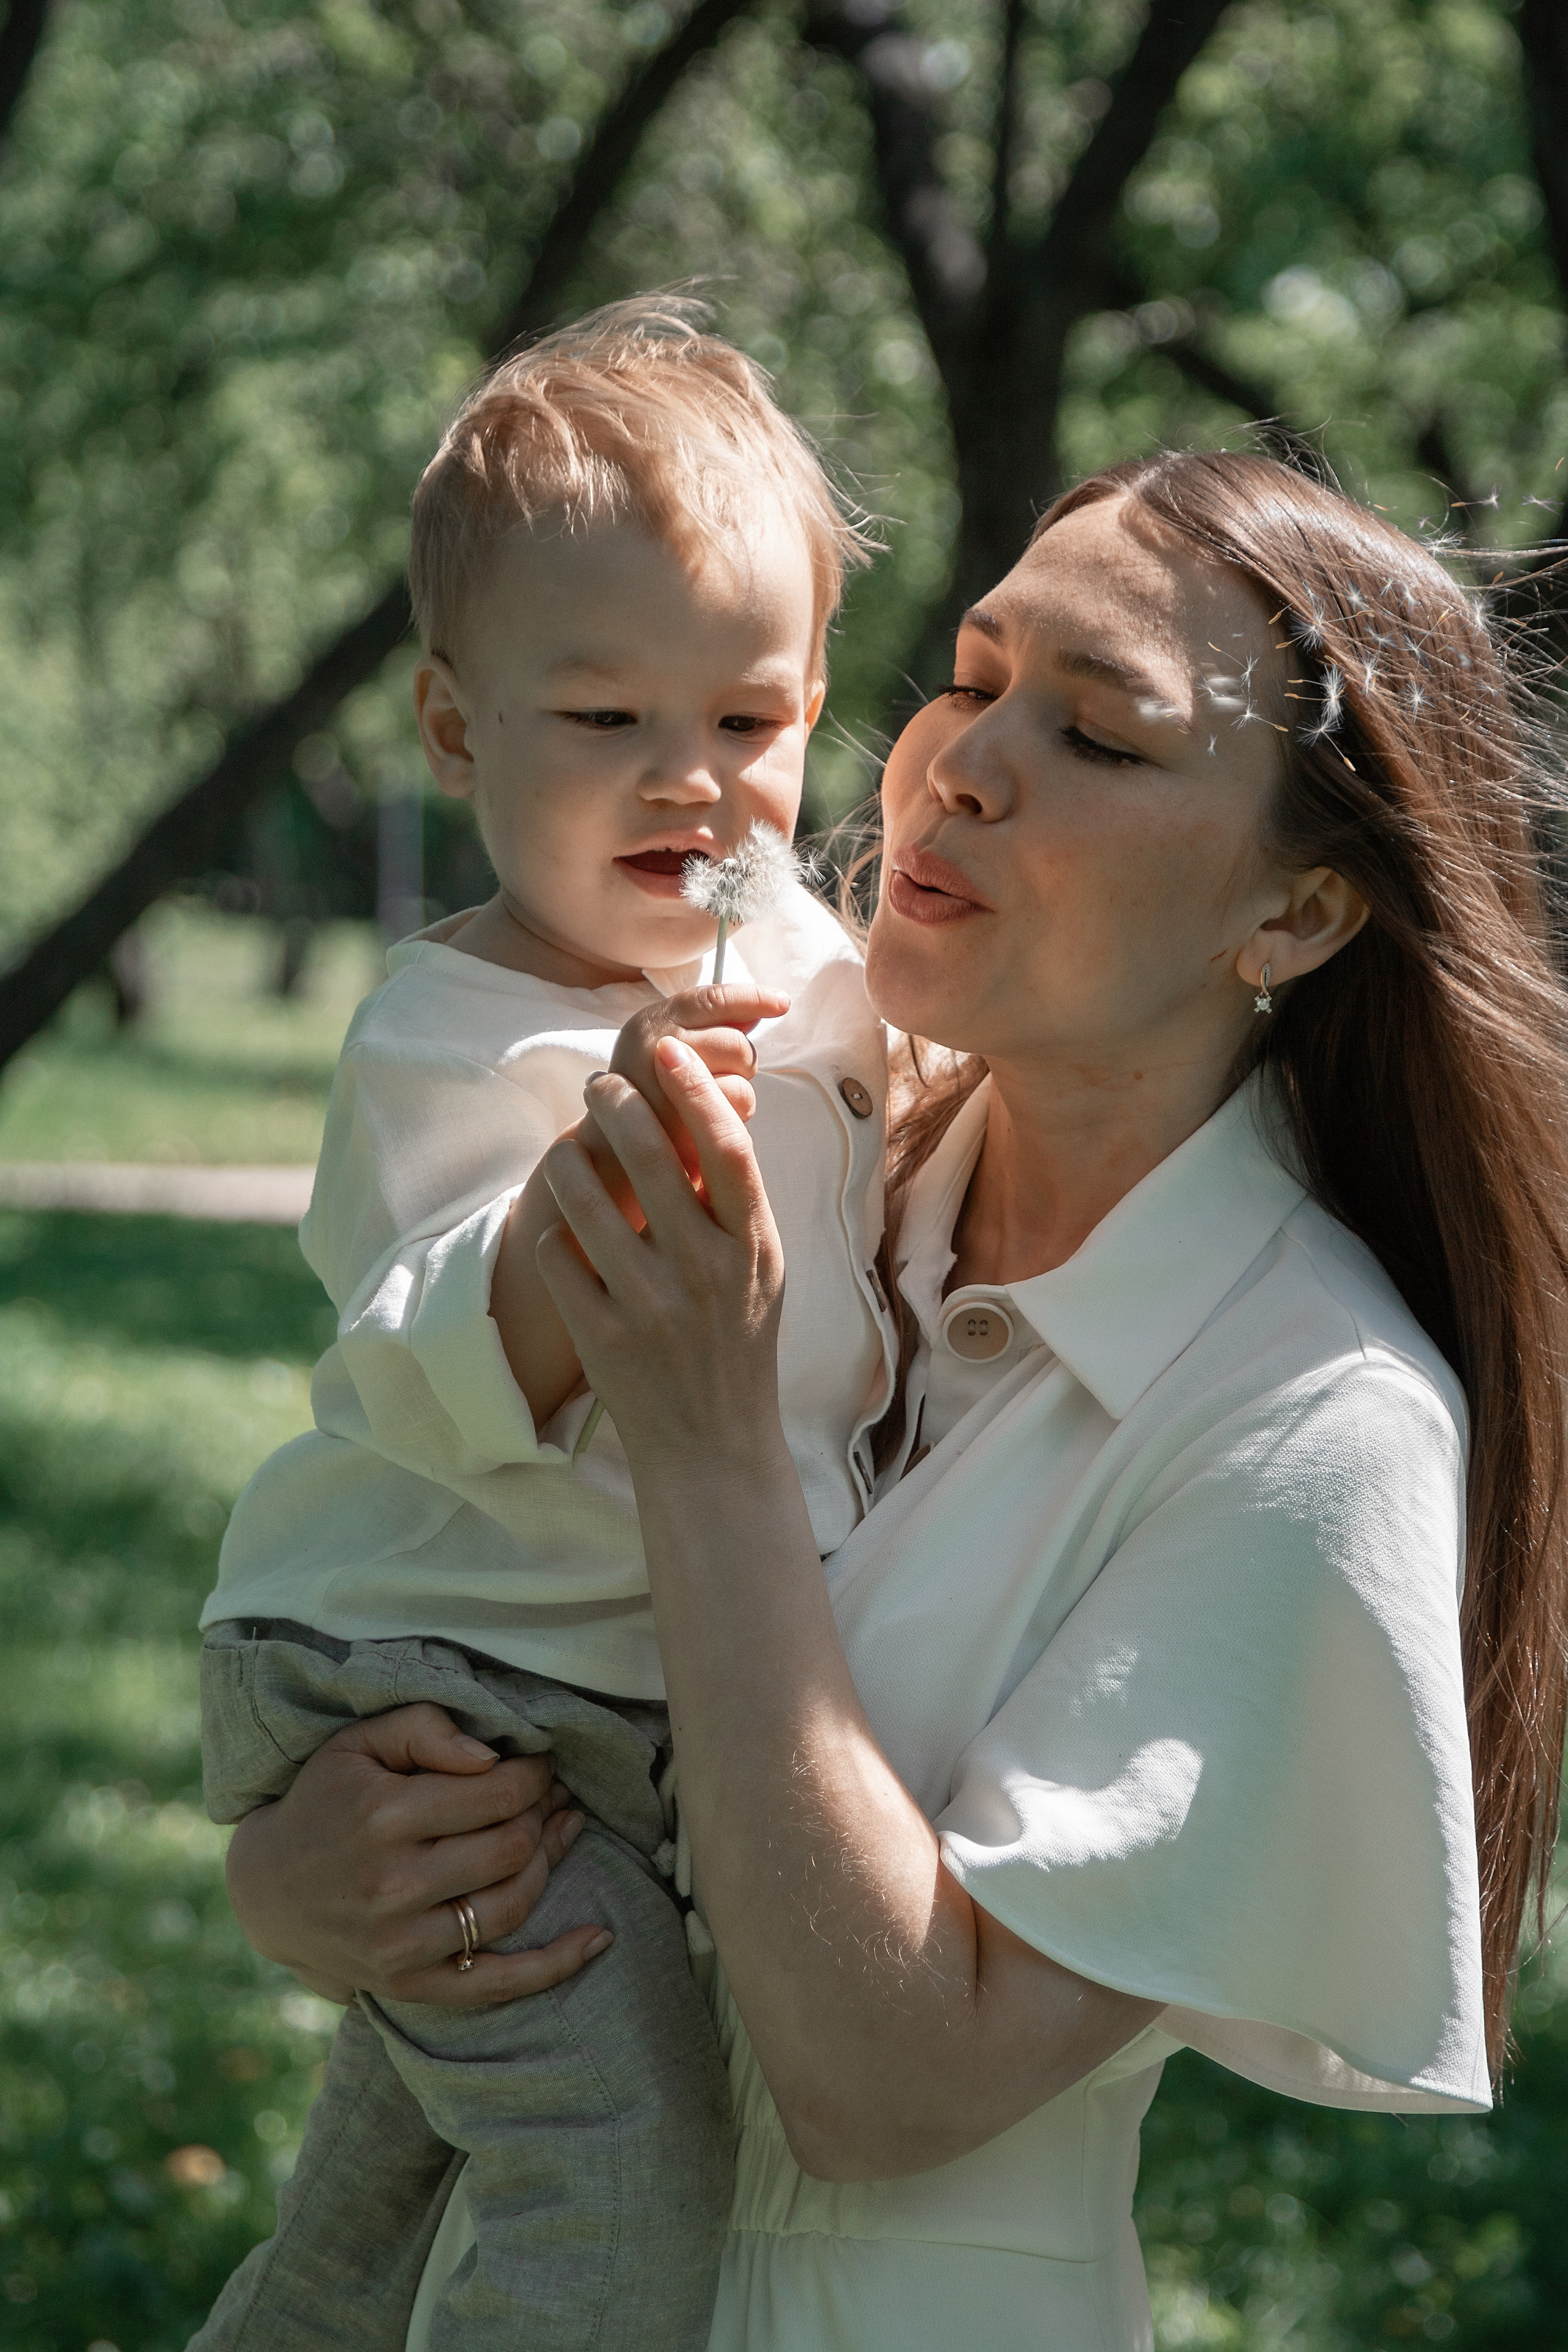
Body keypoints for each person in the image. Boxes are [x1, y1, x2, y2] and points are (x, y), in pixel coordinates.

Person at [224, 452, 1568, 2352]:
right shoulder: (825, 1144)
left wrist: (703, 1441)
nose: (962, 762)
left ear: (1298, 916)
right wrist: (303, 1871)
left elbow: (884, 2081)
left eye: (1099, 735)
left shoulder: (1314, 1426)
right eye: (973, 670)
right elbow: (439, 1568)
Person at [190, 299, 893, 2352]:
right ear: (452, 734)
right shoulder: (453, 1029)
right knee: (619, 2183)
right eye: (603, 722)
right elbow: (422, 1354)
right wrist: (626, 1130)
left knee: (379, 2205)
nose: (692, 783)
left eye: (749, 725)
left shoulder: (818, 972)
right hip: (438, 1691)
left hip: (591, 1704)